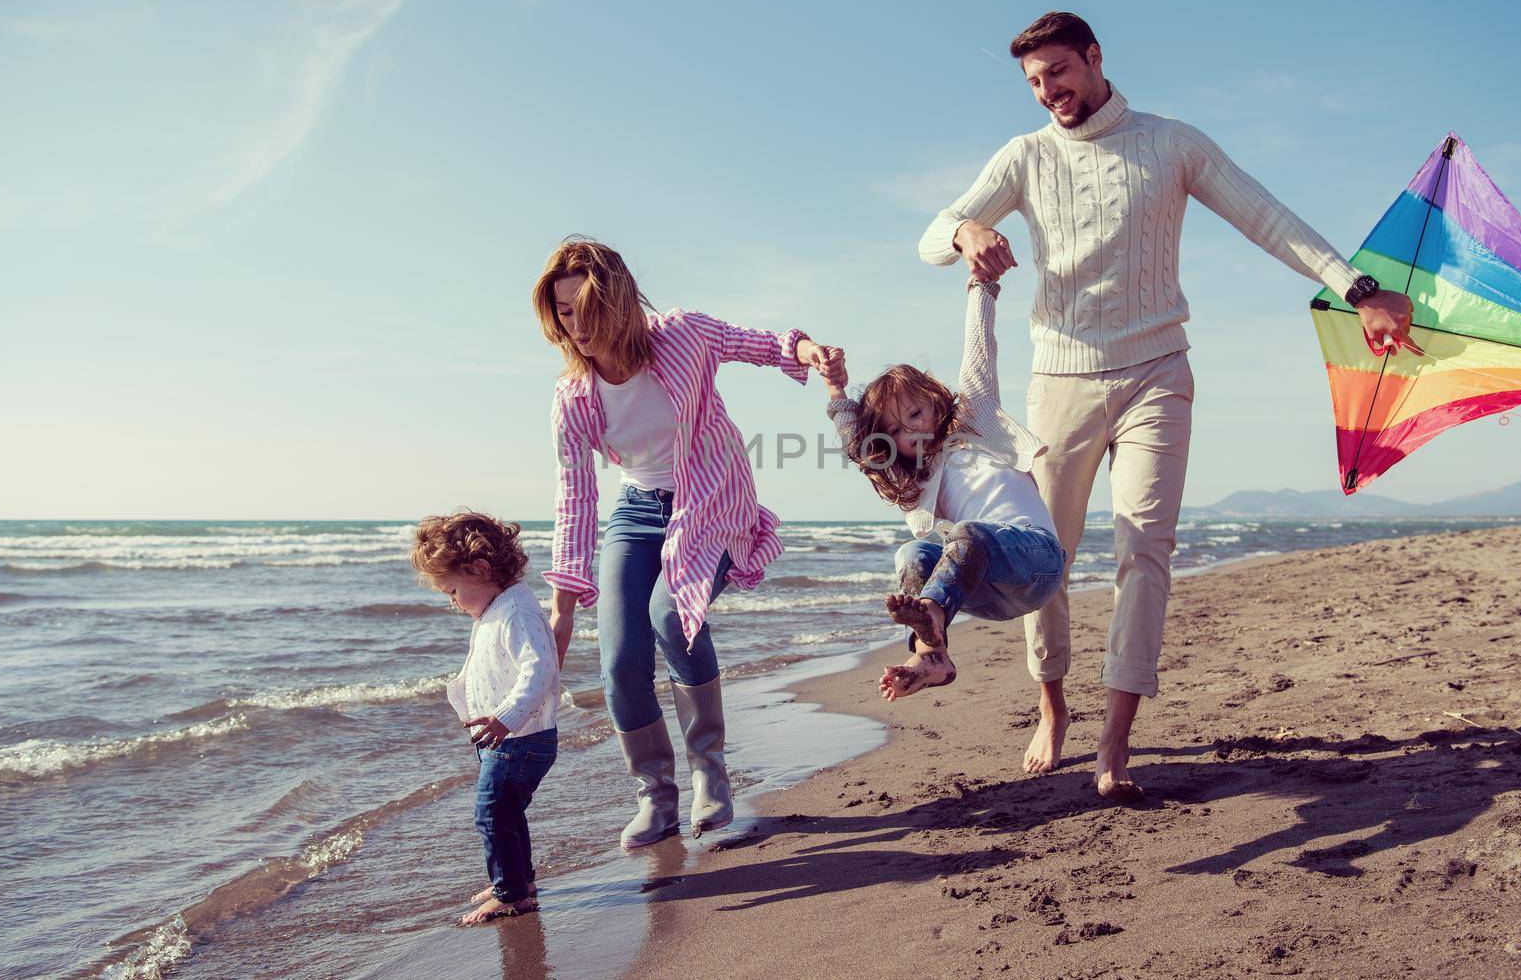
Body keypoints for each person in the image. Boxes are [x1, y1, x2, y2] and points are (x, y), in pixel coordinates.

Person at [919, 11, 1416, 802]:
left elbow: (1267, 217)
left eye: (1059, 72)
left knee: (1144, 549)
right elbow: (931, 235)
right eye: (1034, 83)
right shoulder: (1024, 157)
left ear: (1095, 57)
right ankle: (1053, 705)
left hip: (1158, 372)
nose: (1050, 92)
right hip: (1061, 382)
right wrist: (968, 229)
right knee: (1041, 557)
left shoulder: (1172, 143)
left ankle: (1116, 739)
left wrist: (1355, 290)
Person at [534, 237, 845, 850]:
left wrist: (811, 352)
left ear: (618, 302)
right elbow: (574, 497)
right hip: (637, 511)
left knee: (672, 619)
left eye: (586, 309)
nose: (576, 326)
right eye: (564, 312)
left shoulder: (681, 336)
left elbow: (753, 343)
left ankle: (710, 771)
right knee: (620, 659)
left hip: (710, 498)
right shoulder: (572, 397)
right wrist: (563, 603)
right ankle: (655, 795)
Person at [823, 269, 1065, 703]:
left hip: (1035, 561)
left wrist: (981, 284)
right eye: (896, 429)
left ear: (934, 402)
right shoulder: (915, 480)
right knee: (912, 552)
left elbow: (979, 349)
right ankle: (934, 654)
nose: (911, 431)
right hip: (985, 590)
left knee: (967, 533)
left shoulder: (976, 420)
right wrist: (836, 390)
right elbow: (857, 447)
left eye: (915, 415)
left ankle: (929, 624)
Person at [412, 511, 560, 925]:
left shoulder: (516, 613)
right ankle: (517, 880)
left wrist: (506, 718)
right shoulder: (498, 608)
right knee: (507, 813)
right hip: (509, 738)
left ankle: (511, 893)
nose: (452, 602)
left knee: (491, 813)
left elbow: (540, 668)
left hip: (520, 739)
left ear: (479, 569)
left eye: (453, 590)